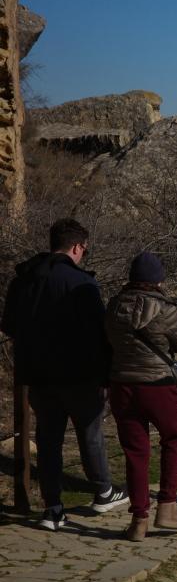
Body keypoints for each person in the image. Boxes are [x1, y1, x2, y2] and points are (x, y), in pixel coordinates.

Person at [1, 218, 127, 530]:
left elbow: (9, 325)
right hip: (79, 372)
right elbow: (99, 332)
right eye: (84, 248)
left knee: (48, 440)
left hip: (38, 373)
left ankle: (53, 508)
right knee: (90, 433)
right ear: (76, 247)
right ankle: (103, 490)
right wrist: (107, 372)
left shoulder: (24, 279)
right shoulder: (81, 283)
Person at [104, 251, 177, 541]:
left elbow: (107, 340)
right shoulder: (165, 309)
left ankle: (138, 520)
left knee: (135, 451)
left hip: (122, 384)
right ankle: (167, 507)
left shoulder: (114, 305)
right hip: (158, 385)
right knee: (173, 440)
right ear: (157, 280)